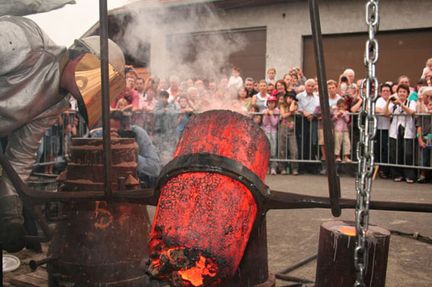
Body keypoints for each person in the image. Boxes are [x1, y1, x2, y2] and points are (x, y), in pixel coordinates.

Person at [0, 16, 125, 252]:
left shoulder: (55, 105)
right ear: (82, 61)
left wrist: (10, 212)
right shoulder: (25, 41)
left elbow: (21, 155)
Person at [384, 84, 417, 183]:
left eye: (404, 92)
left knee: (408, 153)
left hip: (407, 130)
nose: (402, 93)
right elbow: (386, 114)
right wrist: (388, 102)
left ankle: (409, 176)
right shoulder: (393, 104)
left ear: (407, 94)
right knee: (395, 153)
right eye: (400, 92)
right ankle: (397, 174)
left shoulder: (411, 102)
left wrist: (401, 104)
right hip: (395, 130)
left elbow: (411, 112)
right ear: (397, 93)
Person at [277, 91, 298, 175]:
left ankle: (295, 169)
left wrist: (293, 103)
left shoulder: (295, 104)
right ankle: (282, 168)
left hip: (291, 129)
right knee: (282, 148)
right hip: (283, 128)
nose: (290, 99)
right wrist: (290, 113)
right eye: (289, 97)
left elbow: (292, 109)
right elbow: (283, 115)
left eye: (292, 98)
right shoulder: (282, 105)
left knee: (294, 149)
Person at [375, 84, 392, 178]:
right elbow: (375, 109)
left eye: (387, 91)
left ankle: (386, 170)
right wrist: (386, 112)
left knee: (388, 150)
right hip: (380, 129)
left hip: (390, 129)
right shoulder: (379, 100)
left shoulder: (392, 101)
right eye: (384, 91)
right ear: (381, 93)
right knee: (380, 150)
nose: (386, 92)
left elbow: (390, 113)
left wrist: (385, 112)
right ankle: (381, 170)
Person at [262, 95, 279, 175]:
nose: (271, 104)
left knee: (273, 150)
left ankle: (273, 167)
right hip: (266, 132)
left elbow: (274, 123)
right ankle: (266, 167)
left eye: (272, 103)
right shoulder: (265, 110)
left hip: (273, 132)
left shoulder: (277, 111)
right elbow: (264, 123)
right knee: (266, 151)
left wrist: (271, 115)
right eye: (269, 102)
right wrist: (266, 115)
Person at [416, 97, 432, 183]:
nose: (431, 107)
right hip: (425, 139)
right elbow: (419, 128)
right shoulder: (423, 115)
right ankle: (423, 175)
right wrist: (420, 140)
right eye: (430, 105)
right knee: (423, 159)